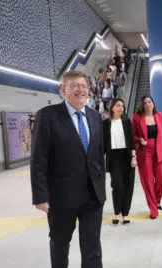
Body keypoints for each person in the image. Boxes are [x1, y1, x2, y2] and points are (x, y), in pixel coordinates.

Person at [31, 70, 105, 268]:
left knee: (92, 245)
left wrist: (102, 188)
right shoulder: (48, 116)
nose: (80, 90)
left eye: (83, 86)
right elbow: (39, 158)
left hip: (92, 195)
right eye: (74, 86)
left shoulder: (95, 117)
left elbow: (98, 156)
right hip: (61, 196)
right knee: (60, 243)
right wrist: (40, 196)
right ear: (63, 89)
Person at [103, 98, 137, 225]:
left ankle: (125, 213)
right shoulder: (105, 124)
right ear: (112, 107)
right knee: (117, 186)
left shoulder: (127, 122)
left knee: (129, 186)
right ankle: (117, 212)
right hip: (114, 157)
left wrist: (134, 157)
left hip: (127, 156)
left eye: (122, 106)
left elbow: (132, 141)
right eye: (118, 105)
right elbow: (103, 144)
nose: (121, 108)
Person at [132, 96, 162, 219]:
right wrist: (139, 139)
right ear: (142, 105)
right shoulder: (136, 118)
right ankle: (153, 209)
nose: (147, 104)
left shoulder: (160, 116)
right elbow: (132, 135)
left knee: (161, 179)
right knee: (148, 181)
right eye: (145, 103)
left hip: (159, 149)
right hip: (144, 151)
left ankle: (157, 200)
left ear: (153, 103)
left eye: (149, 102)